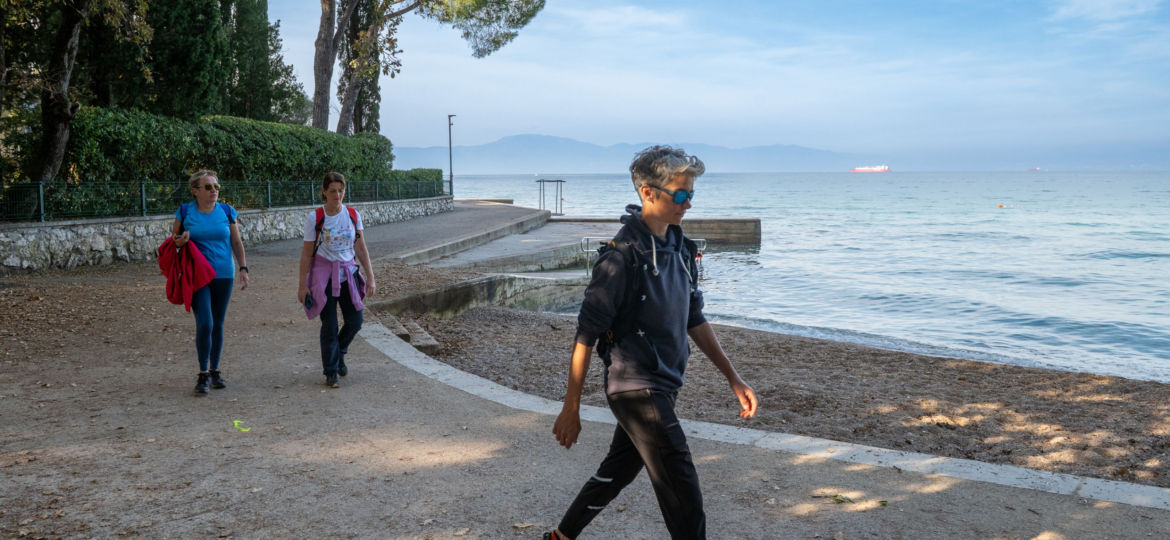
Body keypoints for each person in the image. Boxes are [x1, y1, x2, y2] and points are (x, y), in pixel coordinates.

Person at [546, 146, 759, 540]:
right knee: (683, 491)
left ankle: (559, 537)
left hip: (666, 384)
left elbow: (694, 319)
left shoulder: (682, 250)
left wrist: (733, 377)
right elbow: (585, 337)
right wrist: (570, 407)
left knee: (616, 472)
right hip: (635, 388)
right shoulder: (619, 260)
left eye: (691, 193)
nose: (688, 203)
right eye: (680, 194)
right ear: (648, 192)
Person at [171, 170, 249, 395]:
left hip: (224, 274)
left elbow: (236, 241)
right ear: (195, 191)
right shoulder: (185, 212)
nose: (214, 190)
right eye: (208, 187)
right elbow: (173, 241)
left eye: (216, 186)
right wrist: (180, 242)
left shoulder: (226, 211)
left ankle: (214, 370)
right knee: (205, 322)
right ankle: (203, 373)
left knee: (218, 322)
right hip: (197, 275)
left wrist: (243, 268)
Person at [297, 172, 377, 388]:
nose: (337, 195)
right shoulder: (315, 217)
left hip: (348, 274)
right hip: (323, 276)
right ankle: (331, 371)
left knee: (355, 321)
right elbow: (306, 254)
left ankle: (340, 352)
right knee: (330, 325)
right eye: (332, 191)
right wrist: (302, 285)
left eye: (341, 190)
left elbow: (361, 247)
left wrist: (370, 276)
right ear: (324, 192)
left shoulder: (352, 214)